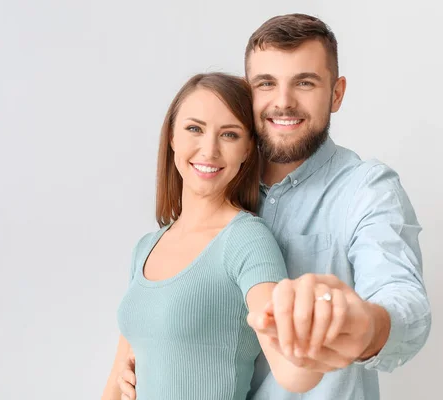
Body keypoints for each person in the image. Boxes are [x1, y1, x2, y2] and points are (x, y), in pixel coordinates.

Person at [116, 13, 432, 400]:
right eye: (266, 84)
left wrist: (365, 326)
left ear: (336, 93)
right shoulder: (209, 195)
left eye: (304, 83)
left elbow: (402, 300)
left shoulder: (366, 190)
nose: (283, 102)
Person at [101, 72, 344, 399]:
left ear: (247, 150)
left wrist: (324, 328)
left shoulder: (247, 240)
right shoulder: (146, 248)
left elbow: (289, 367)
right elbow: (117, 378)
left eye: (229, 135)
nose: (209, 149)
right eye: (194, 129)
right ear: (172, 136)